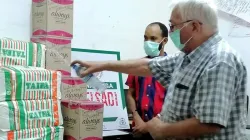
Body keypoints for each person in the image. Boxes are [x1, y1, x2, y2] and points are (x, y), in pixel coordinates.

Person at [71, 0, 248, 139]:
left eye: (173, 26)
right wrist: (101, 65)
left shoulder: (219, 61)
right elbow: (147, 65)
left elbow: (209, 124)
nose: (171, 32)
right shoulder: (187, 57)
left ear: (194, 25)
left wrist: (163, 130)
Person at [126, 22, 168, 140]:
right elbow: (130, 94)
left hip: (162, 130)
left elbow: (173, 103)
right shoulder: (137, 66)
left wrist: (149, 126)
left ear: (164, 41)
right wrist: (136, 117)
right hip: (138, 130)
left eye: (153, 38)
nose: (148, 42)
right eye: (145, 38)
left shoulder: (171, 67)